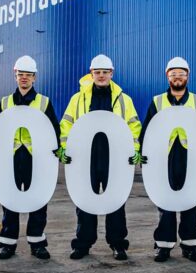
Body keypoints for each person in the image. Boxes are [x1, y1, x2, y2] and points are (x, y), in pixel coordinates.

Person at [58, 54, 143, 261]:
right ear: (91, 74)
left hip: (114, 159)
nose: (101, 76)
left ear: (112, 74)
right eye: (98, 72)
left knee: (116, 201)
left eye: (105, 72)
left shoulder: (124, 100)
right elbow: (67, 124)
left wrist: (134, 149)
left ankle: (118, 244)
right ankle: (83, 244)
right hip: (86, 158)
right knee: (85, 201)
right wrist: (65, 148)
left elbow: (134, 126)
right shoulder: (78, 99)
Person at [139, 57, 196, 263]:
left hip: (190, 157)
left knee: (190, 200)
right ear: (168, 77)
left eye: (181, 74)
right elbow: (147, 129)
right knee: (164, 200)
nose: (177, 78)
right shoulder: (157, 101)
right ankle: (163, 246)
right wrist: (143, 153)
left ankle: (190, 246)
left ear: (187, 77)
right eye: (173, 74)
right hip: (164, 157)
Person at [0, 55, 60, 260]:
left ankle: (37, 243)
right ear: (15, 76)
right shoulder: (5, 102)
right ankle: (7, 244)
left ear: (35, 78)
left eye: (28, 75)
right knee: (10, 201)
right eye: (21, 75)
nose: (24, 78)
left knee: (38, 201)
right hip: (11, 159)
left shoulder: (44, 102)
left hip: (36, 159)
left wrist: (56, 151)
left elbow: (54, 129)